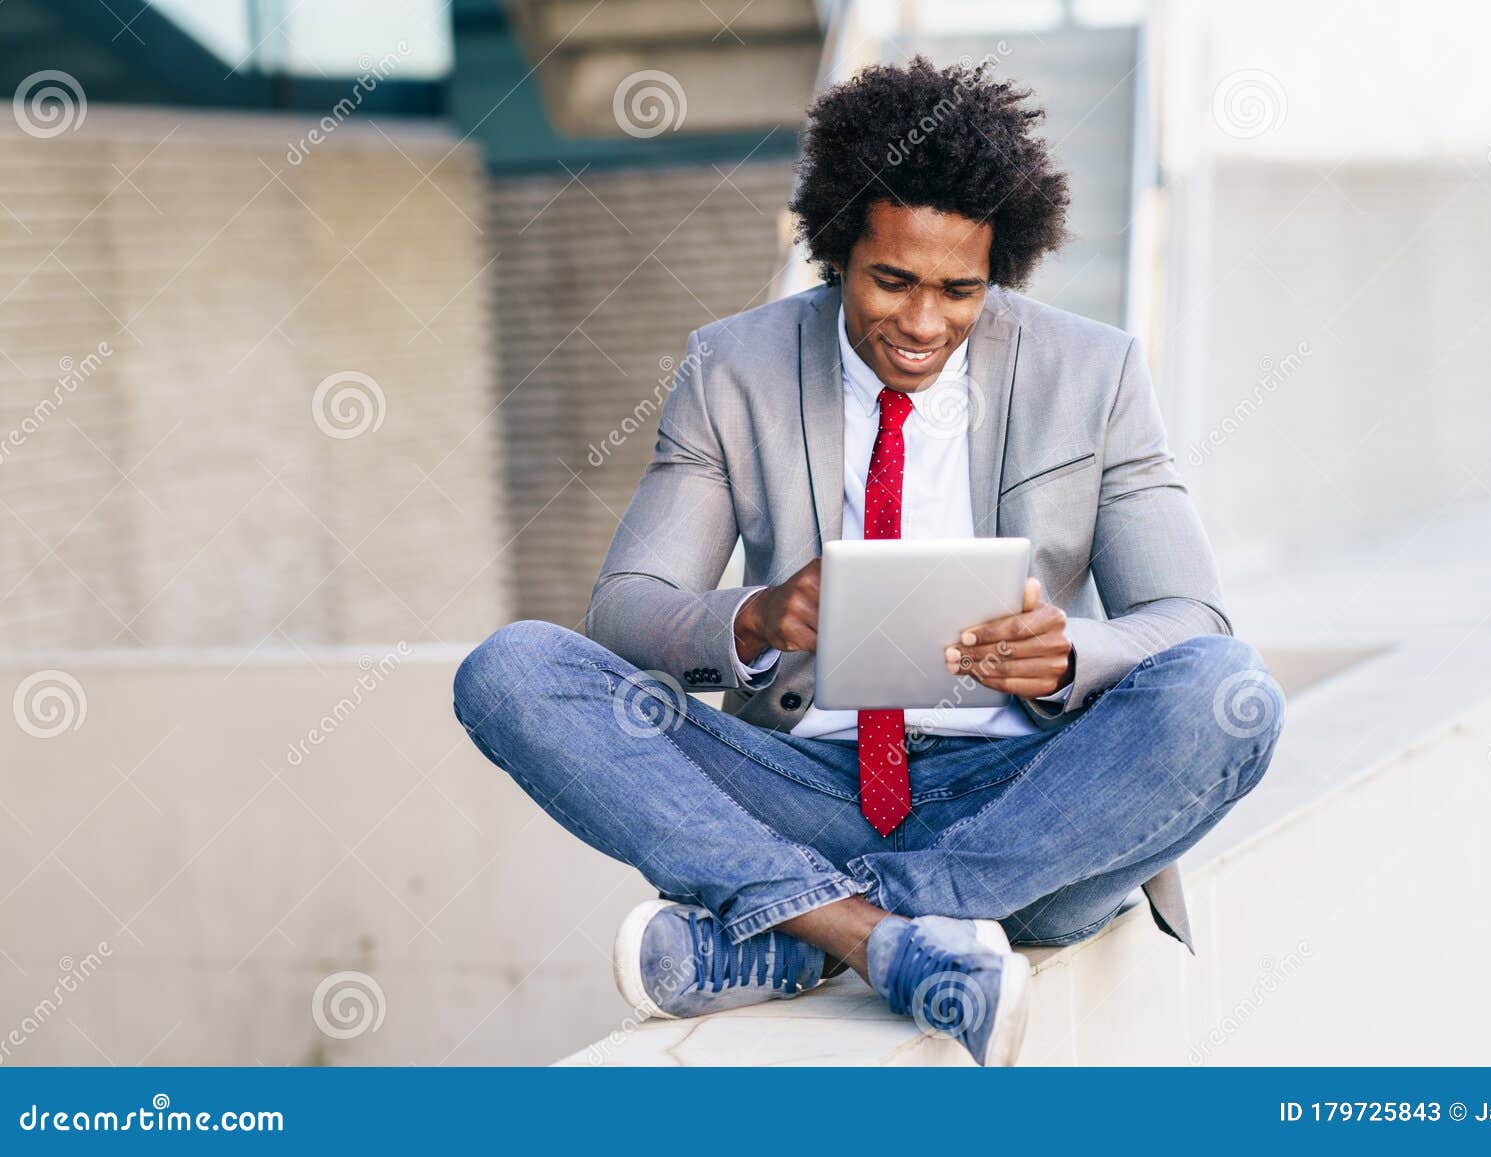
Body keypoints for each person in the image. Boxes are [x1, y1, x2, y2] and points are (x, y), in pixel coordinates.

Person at [453, 57, 1284, 1066]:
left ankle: (810, 932)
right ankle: (882, 937)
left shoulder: (1093, 372)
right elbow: (627, 609)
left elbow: (1190, 616)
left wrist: (1069, 652)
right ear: (837, 249)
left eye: (958, 290)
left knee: (1228, 693)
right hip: (797, 783)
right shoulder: (732, 368)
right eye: (893, 280)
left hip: (1022, 803)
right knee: (513, 670)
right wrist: (752, 619)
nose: (923, 324)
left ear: (997, 271)